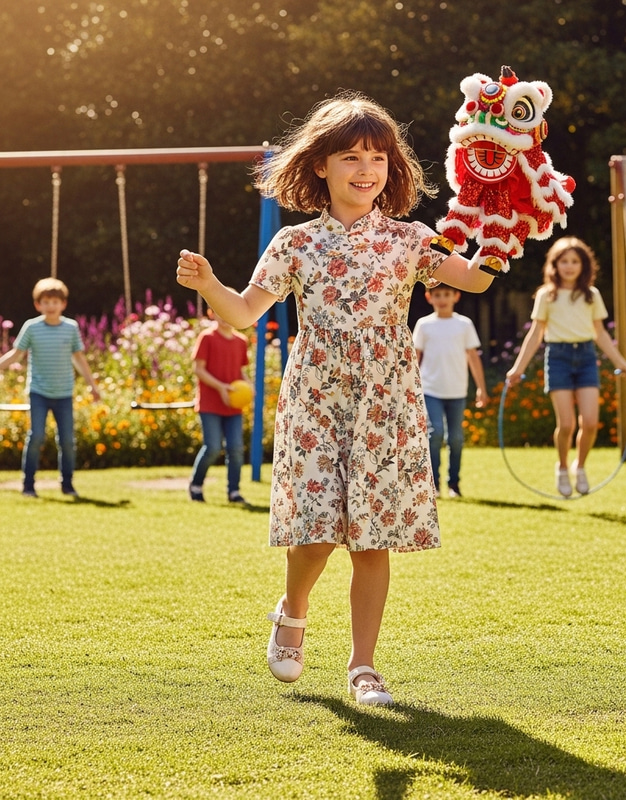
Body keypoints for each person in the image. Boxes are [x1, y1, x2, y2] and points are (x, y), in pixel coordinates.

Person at [175, 92, 494, 706]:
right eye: (350, 156)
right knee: (316, 531)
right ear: (321, 165)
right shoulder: (295, 244)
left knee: (373, 538)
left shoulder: (412, 239)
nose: (365, 168)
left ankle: (364, 668)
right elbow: (243, 313)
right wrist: (210, 281)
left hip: (386, 402)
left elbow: (475, 277)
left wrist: (507, 233)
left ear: (391, 168)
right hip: (315, 401)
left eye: (377, 156)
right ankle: (292, 613)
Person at [505, 237, 626, 497]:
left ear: (583, 265)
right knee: (566, 425)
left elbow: (600, 333)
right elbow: (535, 335)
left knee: (590, 423)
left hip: (586, 357)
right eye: (564, 261)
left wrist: (622, 363)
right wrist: (518, 368)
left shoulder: (591, 295)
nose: (569, 266)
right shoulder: (546, 295)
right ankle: (562, 467)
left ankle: (580, 466)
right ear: (555, 264)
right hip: (558, 358)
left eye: (575, 261)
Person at [0, 277, 101, 497]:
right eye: (46, 302)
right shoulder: (32, 327)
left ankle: (67, 484)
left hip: (64, 393)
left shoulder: (70, 327)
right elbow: (16, 354)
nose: (51, 306)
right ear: (38, 305)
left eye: (55, 302)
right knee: (36, 437)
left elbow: (79, 358)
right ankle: (28, 485)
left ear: (63, 304)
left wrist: (93, 386)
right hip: (38, 392)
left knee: (66, 440)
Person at [412, 284, 488, 498]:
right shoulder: (424, 325)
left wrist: (481, 388)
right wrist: (411, 387)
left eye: (446, 294)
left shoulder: (463, 324)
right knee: (435, 433)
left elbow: (473, 356)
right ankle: (433, 484)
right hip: (430, 389)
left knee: (455, 438)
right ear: (429, 297)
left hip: (456, 390)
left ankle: (454, 484)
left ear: (456, 296)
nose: (442, 299)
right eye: (437, 295)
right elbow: (415, 358)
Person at [188, 306, 251, 504]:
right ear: (212, 314)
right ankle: (196, 486)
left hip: (233, 404)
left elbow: (240, 372)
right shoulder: (207, 338)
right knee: (213, 447)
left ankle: (234, 492)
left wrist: (248, 385)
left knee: (236, 448)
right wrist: (221, 387)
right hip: (210, 403)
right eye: (220, 313)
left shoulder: (241, 342)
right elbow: (199, 370)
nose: (225, 318)